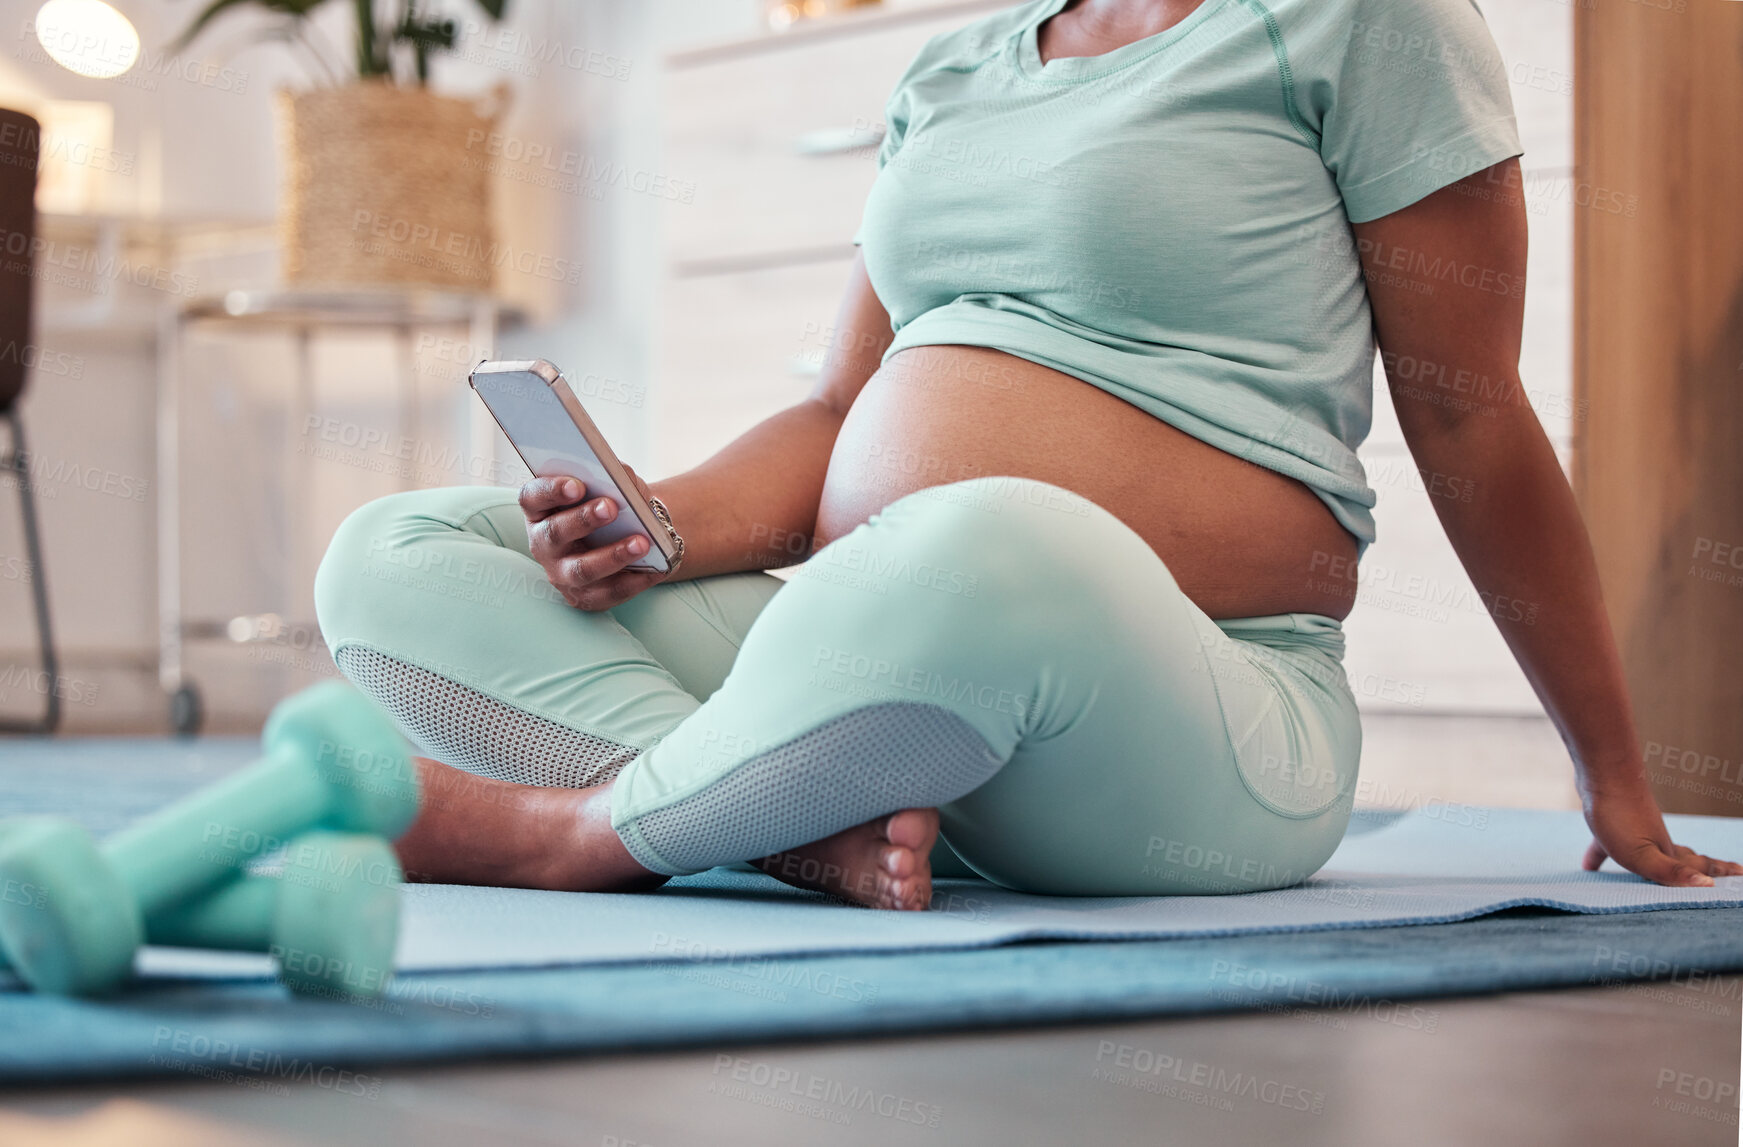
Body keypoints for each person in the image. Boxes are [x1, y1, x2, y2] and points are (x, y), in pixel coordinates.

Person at [314, 0, 1739, 910]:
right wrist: (652, 522)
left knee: (980, 541)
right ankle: (795, 826)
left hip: (1188, 705)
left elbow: (1471, 409)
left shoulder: (1363, 24)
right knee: (394, 555)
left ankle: (569, 835)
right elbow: (833, 413)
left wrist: (1611, 766)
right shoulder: (953, 69)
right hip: (857, 635)